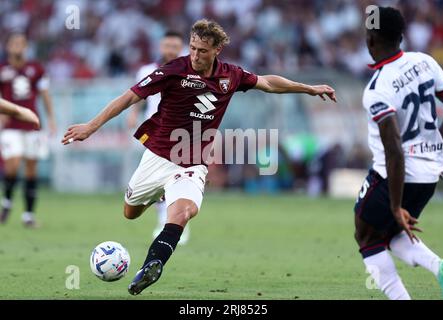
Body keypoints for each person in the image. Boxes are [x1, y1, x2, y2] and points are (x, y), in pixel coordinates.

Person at [62, 19, 336, 296]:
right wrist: (91, 126)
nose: (195, 55)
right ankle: (159, 195)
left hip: (192, 163)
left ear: (217, 49)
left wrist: (309, 88)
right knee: (130, 212)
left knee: (183, 213)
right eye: (192, 48)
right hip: (157, 157)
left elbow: (267, 83)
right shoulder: (173, 70)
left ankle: (151, 265)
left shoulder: (232, 75)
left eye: (202, 50)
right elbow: (129, 97)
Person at [354, 7, 443, 300]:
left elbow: (394, 150)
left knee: (367, 236)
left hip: (394, 176)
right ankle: (441, 267)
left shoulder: (377, 88)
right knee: (392, 233)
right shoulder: (424, 61)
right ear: (401, 36)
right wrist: (438, 142)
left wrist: (395, 204)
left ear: (370, 41)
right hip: (429, 174)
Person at [127, 31, 191, 245]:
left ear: (180, 47)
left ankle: (176, 221)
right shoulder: (147, 70)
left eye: (175, 46)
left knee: (177, 178)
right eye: (167, 45)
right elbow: (139, 95)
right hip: (154, 131)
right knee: (157, 182)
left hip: (179, 132)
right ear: (161, 46)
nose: (170, 50)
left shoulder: (188, 72)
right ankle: (166, 220)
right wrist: (134, 113)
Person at [0, 33, 57, 227]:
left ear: (26, 47)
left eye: (21, 44)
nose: (17, 47)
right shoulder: (2, 69)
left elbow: (45, 95)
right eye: (14, 43)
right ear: (8, 47)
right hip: (11, 126)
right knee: (13, 165)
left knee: (31, 169)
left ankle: (28, 215)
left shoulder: (36, 69)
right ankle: (7, 203)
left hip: (32, 123)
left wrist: (51, 119)